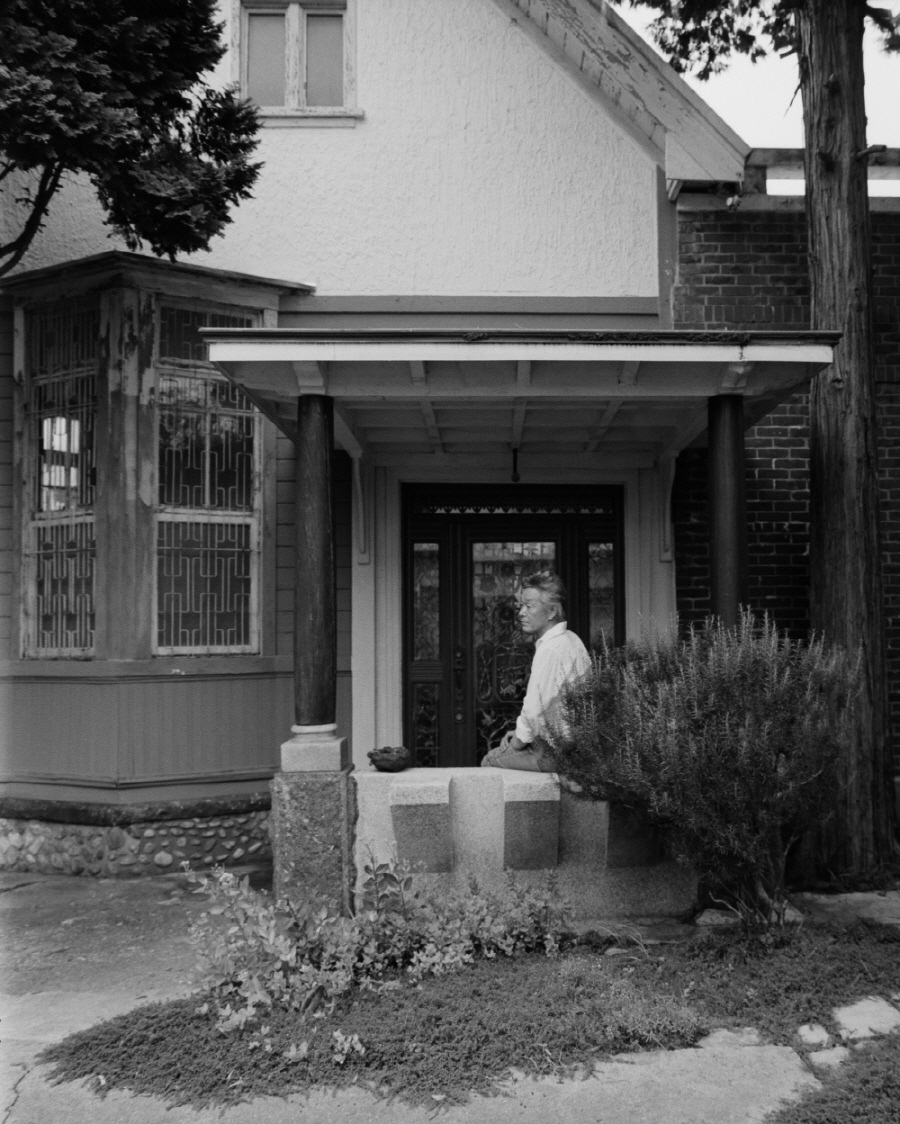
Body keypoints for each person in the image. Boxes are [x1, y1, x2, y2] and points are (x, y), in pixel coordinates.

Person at [480, 570, 590, 771]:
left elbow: (534, 708)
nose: (521, 613)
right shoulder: (571, 639)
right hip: (576, 748)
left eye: (529, 606)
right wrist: (520, 734)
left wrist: (517, 743)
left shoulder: (551, 649)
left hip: (555, 753)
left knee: (490, 760)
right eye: (521, 605)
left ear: (551, 612)